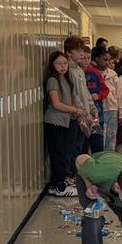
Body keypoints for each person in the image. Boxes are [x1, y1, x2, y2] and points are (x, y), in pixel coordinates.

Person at [44, 51, 83, 197]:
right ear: (52, 65)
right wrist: (74, 109)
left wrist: (80, 112)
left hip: (66, 121)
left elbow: (72, 99)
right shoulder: (52, 80)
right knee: (58, 154)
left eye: (65, 63)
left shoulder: (66, 79)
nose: (62, 66)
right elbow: (56, 104)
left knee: (66, 152)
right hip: (55, 122)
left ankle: (62, 181)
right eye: (59, 63)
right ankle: (59, 186)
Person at [64, 35, 97, 180]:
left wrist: (92, 108)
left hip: (84, 115)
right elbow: (74, 95)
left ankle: (77, 174)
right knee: (72, 148)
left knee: (80, 146)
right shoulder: (68, 71)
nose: (82, 54)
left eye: (82, 51)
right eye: (78, 51)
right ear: (69, 52)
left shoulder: (79, 70)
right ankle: (71, 176)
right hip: (75, 116)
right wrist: (83, 112)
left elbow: (85, 93)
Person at [85, 47, 109, 152]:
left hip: (97, 112)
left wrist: (98, 96)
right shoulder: (74, 73)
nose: (85, 61)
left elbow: (105, 90)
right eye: (83, 58)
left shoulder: (95, 73)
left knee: (97, 143)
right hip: (83, 113)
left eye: (88, 58)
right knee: (83, 145)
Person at [102, 48, 119, 152]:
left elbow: (119, 94)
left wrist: (120, 111)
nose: (108, 63)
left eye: (110, 61)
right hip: (101, 109)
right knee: (101, 135)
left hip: (113, 108)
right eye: (105, 60)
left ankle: (109, 156)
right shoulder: (95, 73)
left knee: (111, 135)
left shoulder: (113, 74)